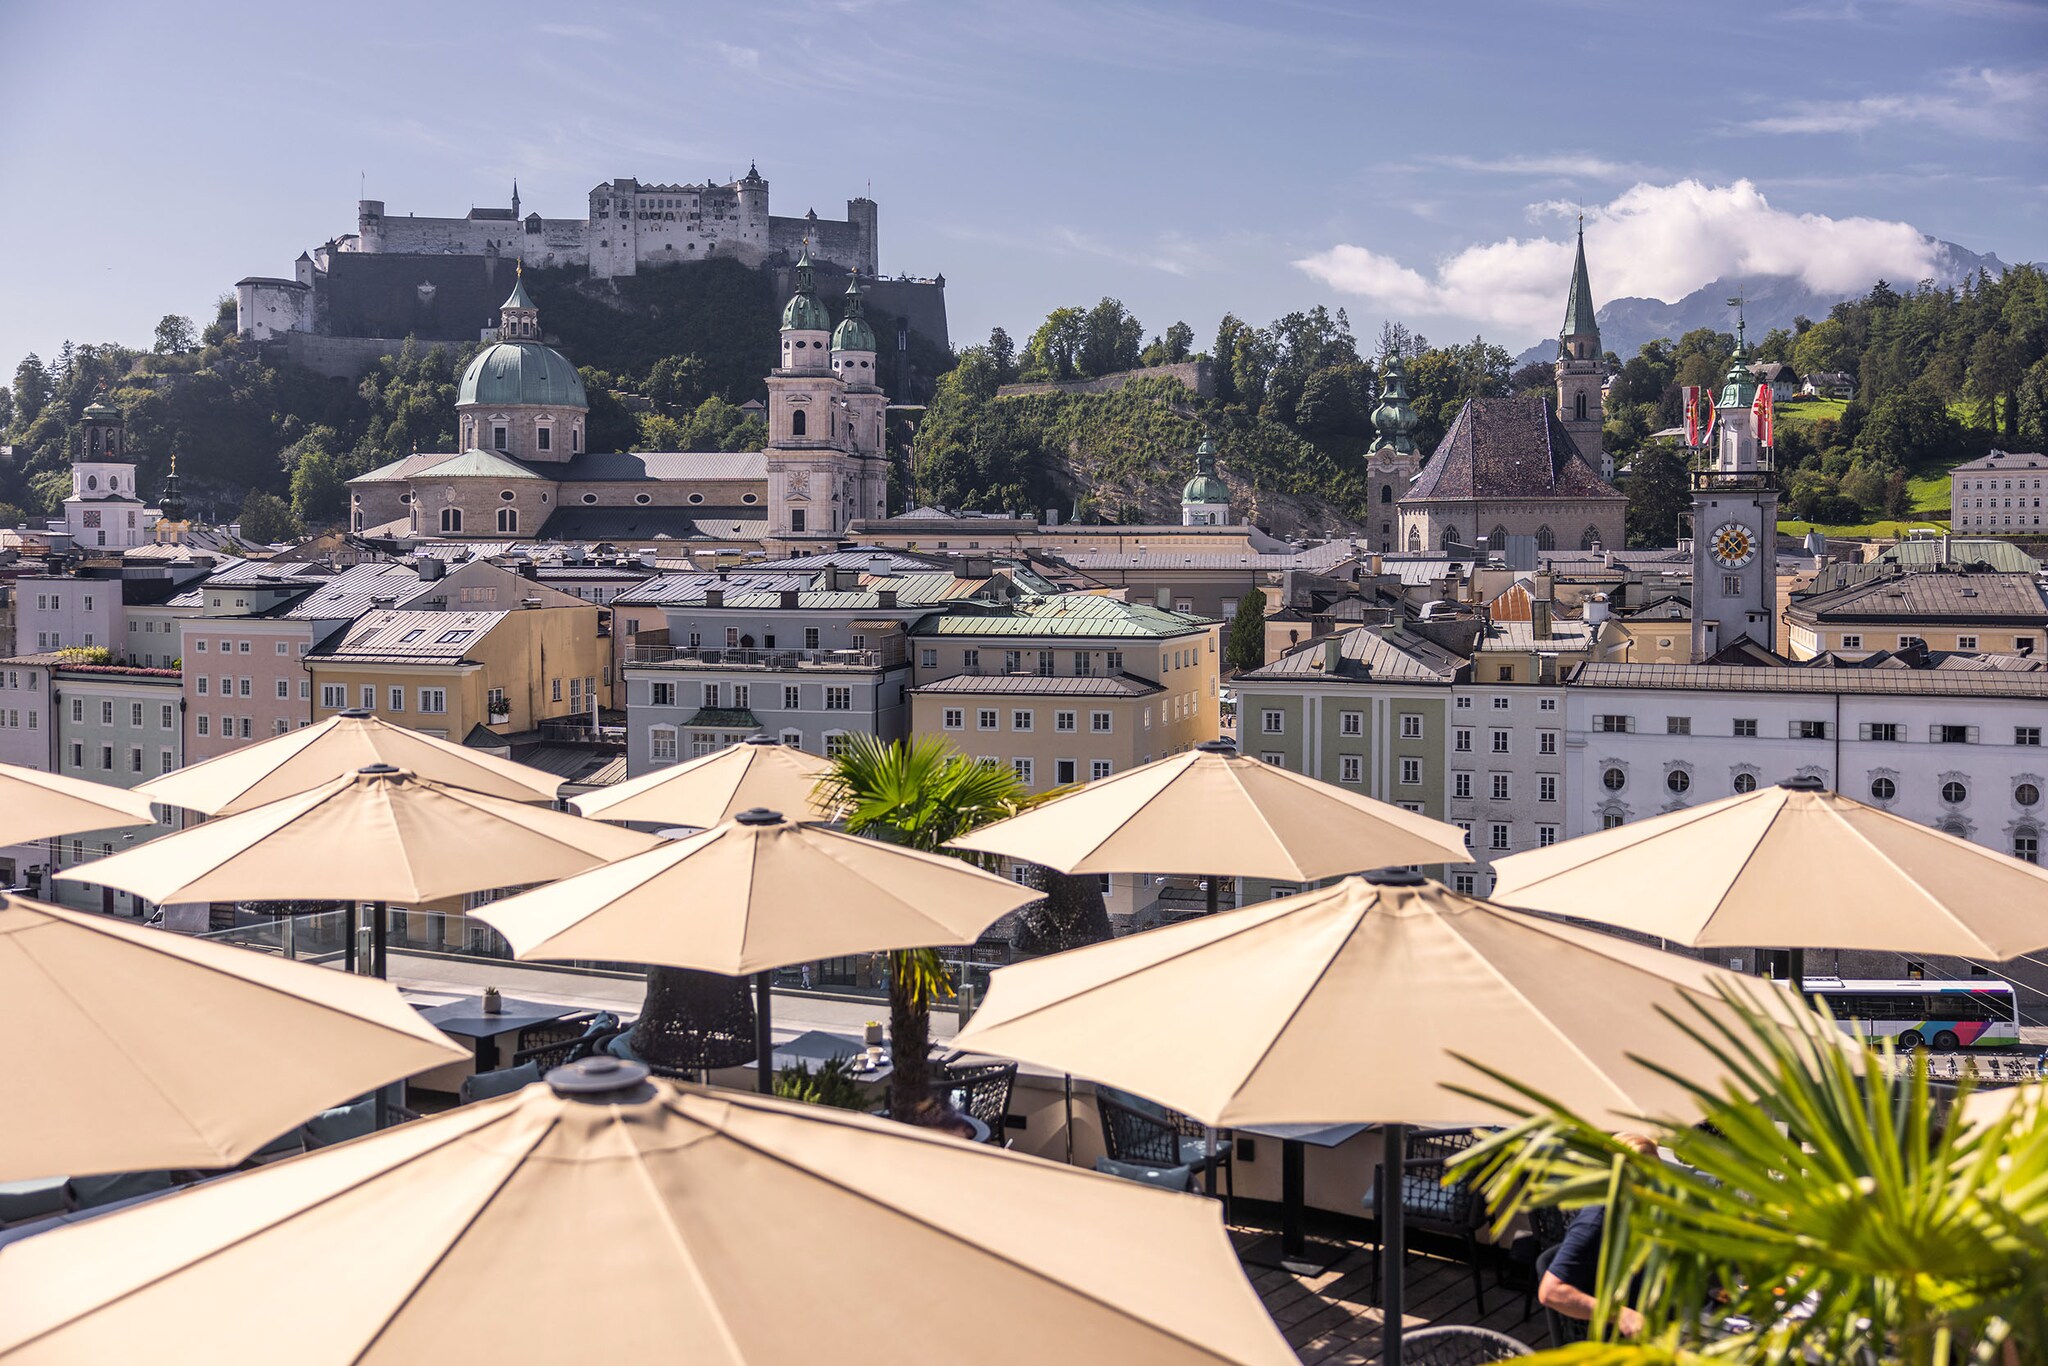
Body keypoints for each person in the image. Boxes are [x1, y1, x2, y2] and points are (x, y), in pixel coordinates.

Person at [1537, 1131, 1659, 1337]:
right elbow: (1551, 1292)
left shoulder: (1640, 1207)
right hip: (1622, 1339)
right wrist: (1621, 1316)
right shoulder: (1596, 1220)